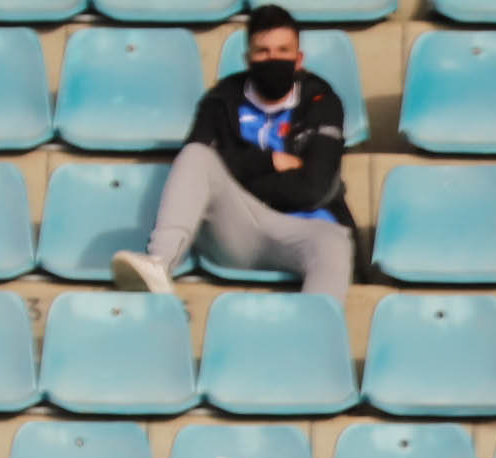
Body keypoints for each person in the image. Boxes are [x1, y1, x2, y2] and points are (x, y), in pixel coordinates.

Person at [110, 5, 356, 305]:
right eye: (262, 51)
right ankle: (159, 263)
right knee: (196, 156)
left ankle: (315, 333)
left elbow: (313, 188)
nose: (272, 58)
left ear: (299, 59)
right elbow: (197, 167)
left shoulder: (323, 101)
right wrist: (267, 163)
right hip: (237, 227)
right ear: (248, 58)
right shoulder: (220, 100)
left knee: (334, 242)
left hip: (303, 228)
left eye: (283, 50)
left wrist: (236, 171)